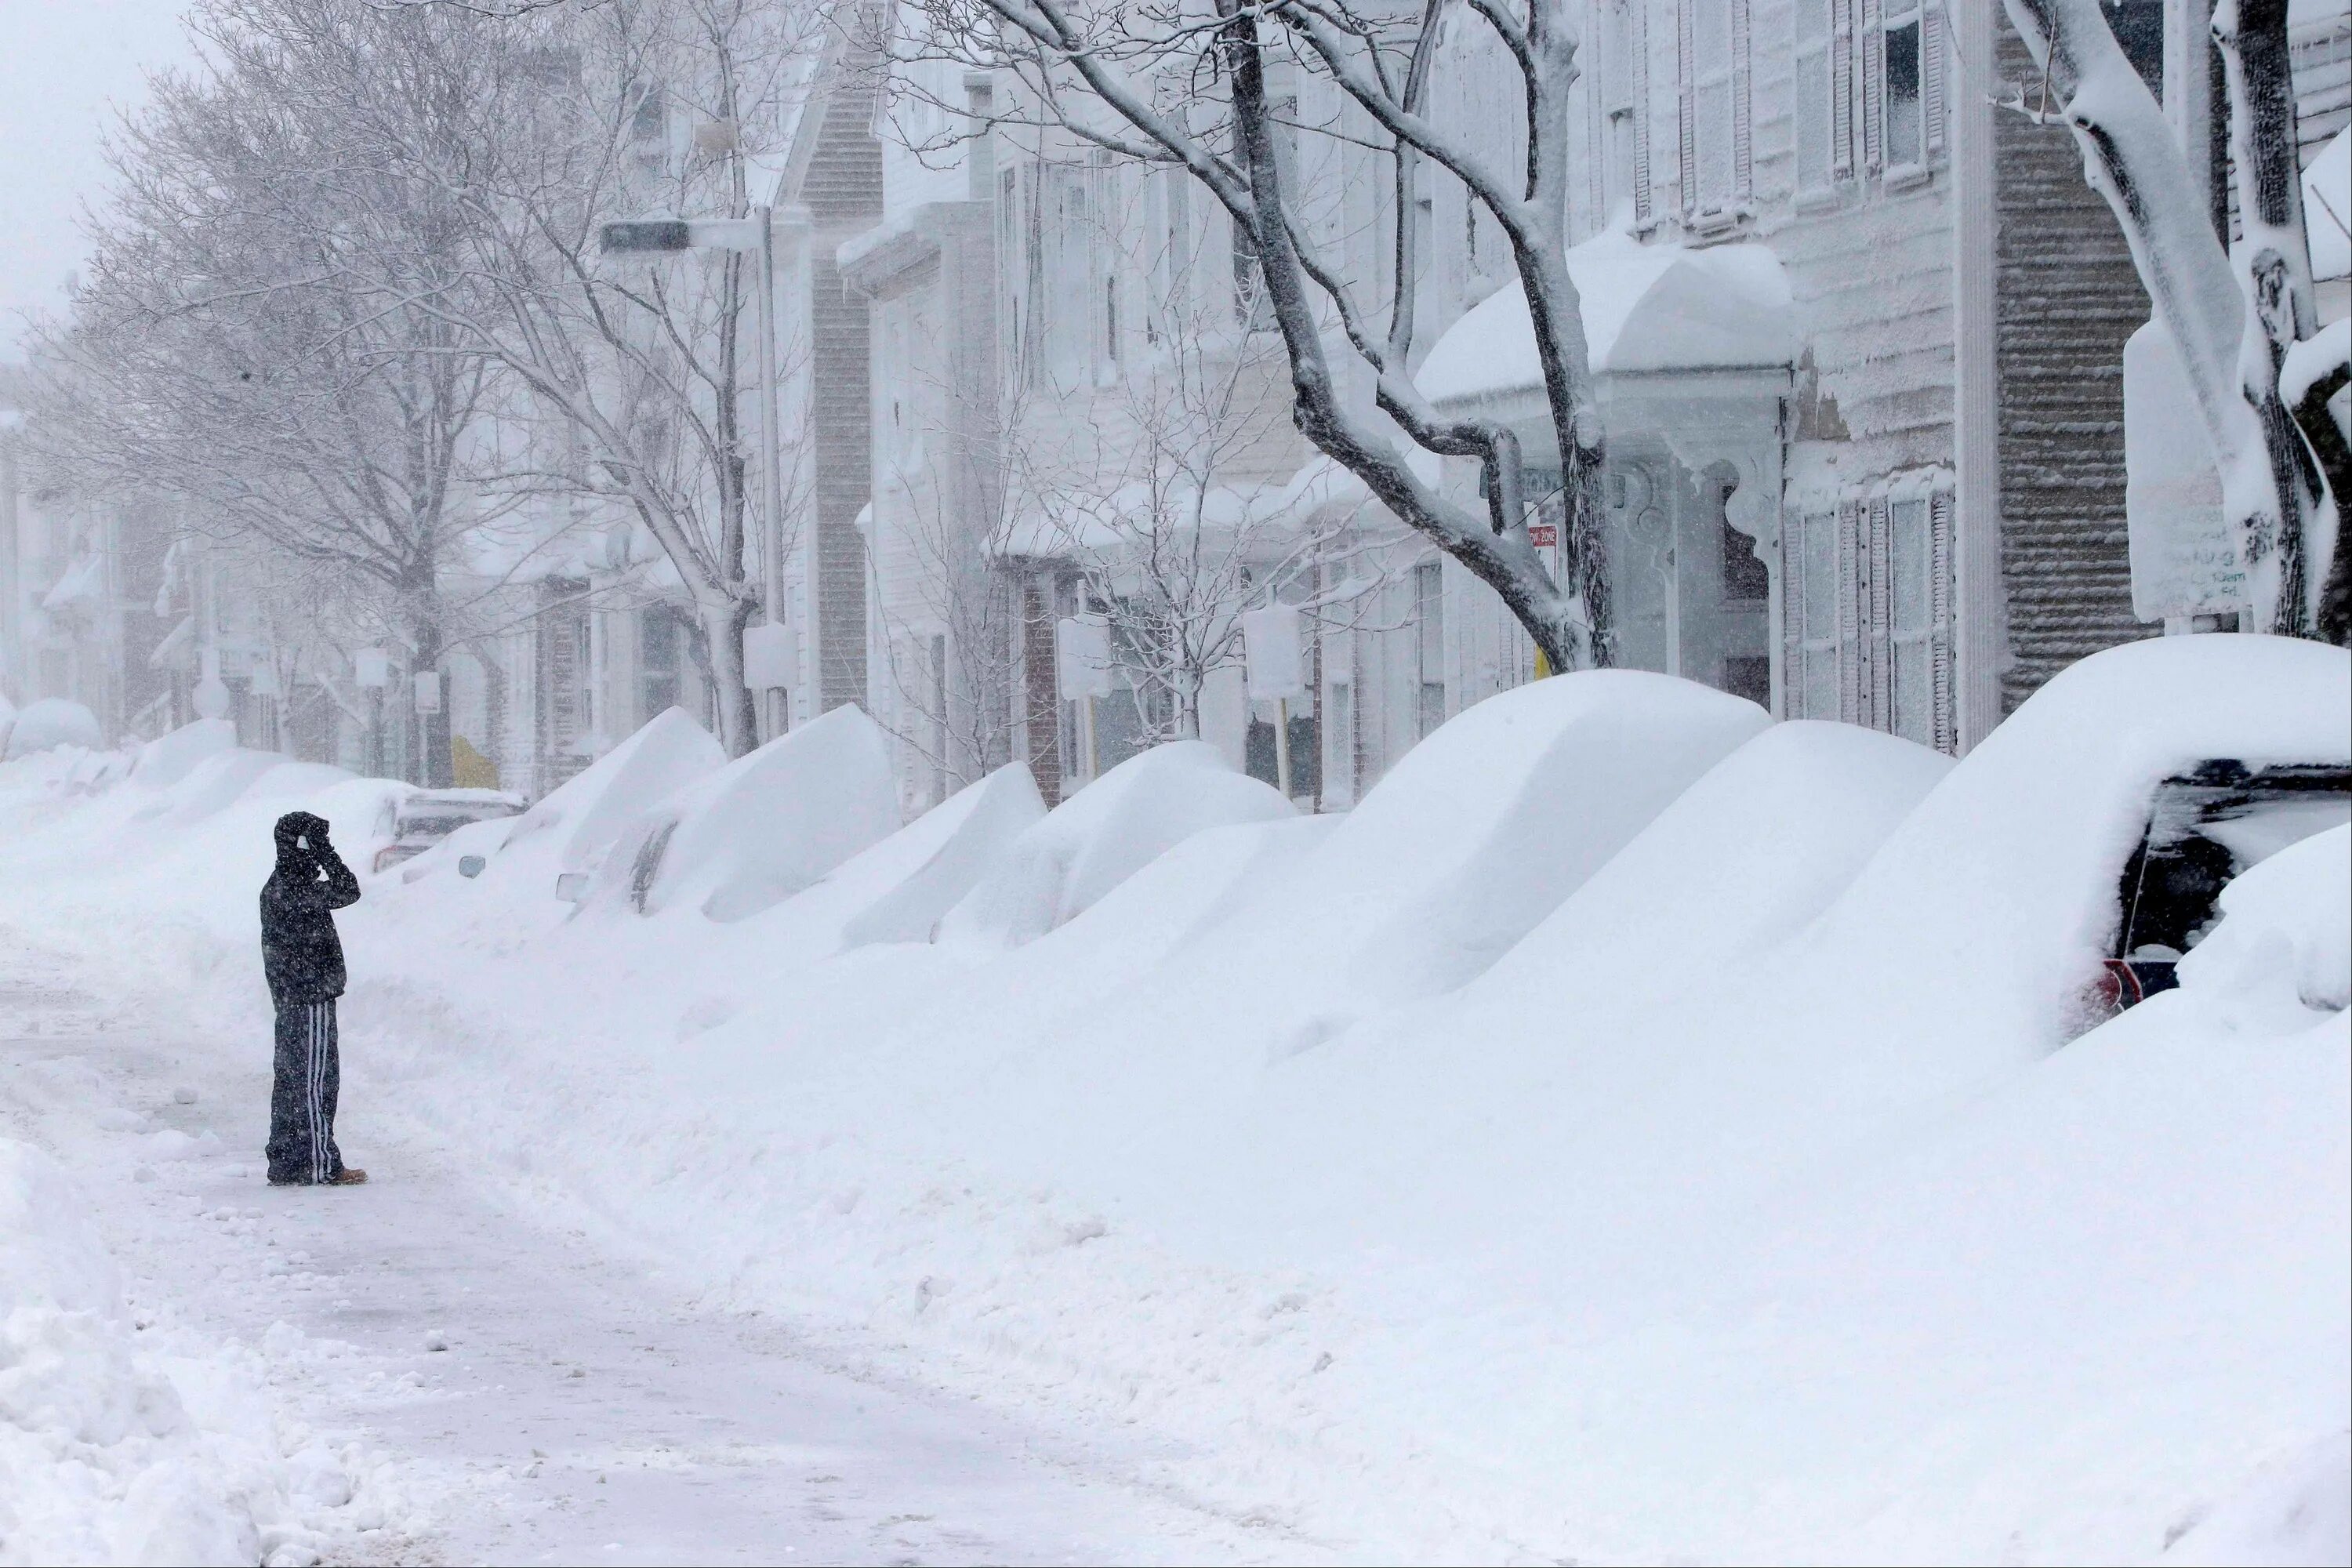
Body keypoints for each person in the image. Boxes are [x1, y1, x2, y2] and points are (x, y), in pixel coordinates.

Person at [260, 811, 366, 1186]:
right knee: (315, 1083)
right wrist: (327, 853)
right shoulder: (296, 890)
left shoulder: (280, 885)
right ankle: (321, 1164)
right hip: (310, 998)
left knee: (292, 1081)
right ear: (304, 847)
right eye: (317, 842)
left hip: (294, 999)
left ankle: (287, 1161)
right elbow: (349, 889)